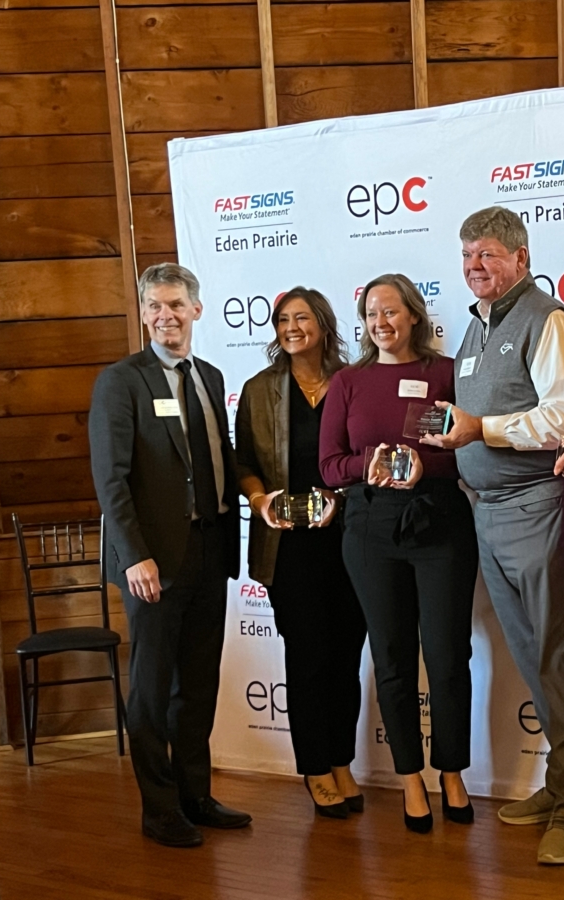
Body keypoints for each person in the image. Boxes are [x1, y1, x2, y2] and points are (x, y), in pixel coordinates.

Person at [421, 206, 564, 865]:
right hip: (487, 511)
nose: (475, 266)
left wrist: (482, 430)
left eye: (488, 255)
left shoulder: (548, 320)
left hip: (539, 505)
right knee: (531, 655)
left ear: (521, 258)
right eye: (468, 256)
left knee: (558, 653)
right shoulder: (475, 326)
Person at [89, 263, 251, 848]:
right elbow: (111, 480)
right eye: (155, 306)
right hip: (151, 563)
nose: (166, 316)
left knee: (198, 686)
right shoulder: (121, 381)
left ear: (196, 310)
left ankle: (194, 796)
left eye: (176, 305)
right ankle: (159, 810)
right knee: (153, 692)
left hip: (209, 550)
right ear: (143, 314)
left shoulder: (209, 376)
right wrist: (134, 555)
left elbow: (218, 458)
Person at [319, 274, 478, 835]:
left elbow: (468, 452)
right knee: (391, 658)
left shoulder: (447, 373)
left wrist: (424, 463)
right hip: (371, 528)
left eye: (390, 311)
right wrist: (371, 464)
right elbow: (330, 465)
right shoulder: (348, 381)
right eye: (370, 314)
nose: (380, 323)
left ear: (413, 314)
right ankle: (410, 778)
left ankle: (451, 773)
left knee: (448, 654)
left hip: (440, 520)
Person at [235, 287, 368, 819]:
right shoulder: (259, 389)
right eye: (283, 319)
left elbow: (367, 458)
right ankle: (315, 767)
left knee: (346, 659)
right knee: (308, 658)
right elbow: (244, 462)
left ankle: (341, 760)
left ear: (324, 324)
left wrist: (342, 500)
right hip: (288, 547)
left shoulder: (353, 381)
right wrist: (260, 500)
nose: (292, 327)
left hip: (350, 540)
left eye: (302, 317)